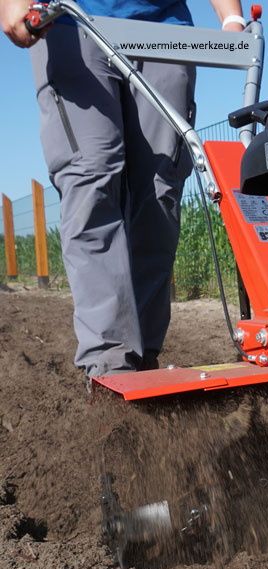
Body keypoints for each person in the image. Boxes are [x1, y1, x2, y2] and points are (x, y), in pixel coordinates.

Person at [1, 0, 244, 378]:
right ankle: (109, 363)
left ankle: (145, 358)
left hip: (165, 30)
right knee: (91, 178)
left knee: (160, 190)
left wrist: (232, 16)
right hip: (69, 22)